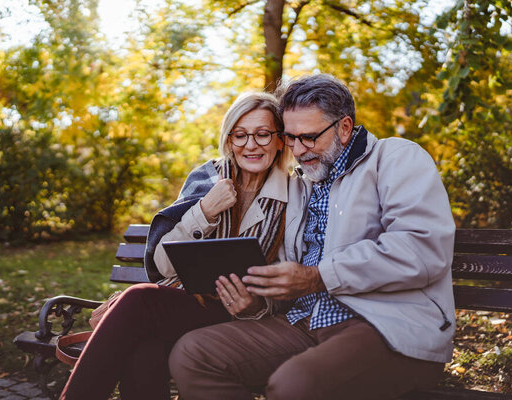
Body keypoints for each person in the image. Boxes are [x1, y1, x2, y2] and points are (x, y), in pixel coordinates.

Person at [168, 74, 457, 400]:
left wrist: (319, 277)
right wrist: (256, 303)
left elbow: (421, 249)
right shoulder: (302, 185)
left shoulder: (394, 158)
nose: (298, 150)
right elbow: (290, 272)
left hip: (387, 327)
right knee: (193, 354)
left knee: (293, 386)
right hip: (305, 323)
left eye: (308, 137)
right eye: (290, 138)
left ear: (344, 128)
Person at [59, 92, 292, 400]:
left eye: (262, 134)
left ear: (279, 140)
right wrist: (205, 211)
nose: (251, 145)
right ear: (229, 139)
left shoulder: (295, 195)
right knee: (145, 352)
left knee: (139, 299)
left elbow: (293, 274)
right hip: (187, 303)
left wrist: (257, 305)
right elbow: (164, 264)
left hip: (242, 318)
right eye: (240, 135)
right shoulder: (207, 178)